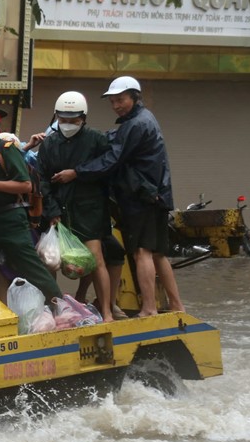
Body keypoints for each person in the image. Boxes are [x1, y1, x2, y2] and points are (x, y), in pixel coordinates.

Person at [53, 76, 184, 316]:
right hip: (155, 195)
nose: (116, 105)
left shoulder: (136, 125)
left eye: (120, 100)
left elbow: (111, 159)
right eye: (112, 101)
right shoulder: (142, 120)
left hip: (142, 196)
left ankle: (149, 308)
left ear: (135, 97)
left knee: (141, 252)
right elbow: (116, 141)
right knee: (158, 253)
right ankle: (176, 305)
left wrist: (76, 172)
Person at [0, 95, 63, 304]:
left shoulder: (6, 148)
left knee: (31, 267)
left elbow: (25, 185)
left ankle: (62, 306)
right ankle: (4, 313)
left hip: (10, 220)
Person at [36, 91, 116, 322]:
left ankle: (108, 312)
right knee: (51, 261)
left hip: (90, 210)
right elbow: (42, 180)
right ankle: (54, 310)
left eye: (73, 120)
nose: (68, 124)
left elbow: (107, 167)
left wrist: (77, 174)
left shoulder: (97, 140)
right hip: (59, 212)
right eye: (63, 119)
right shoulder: (50, 144)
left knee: (96, 259)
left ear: (83, 118)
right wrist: (52, 213)